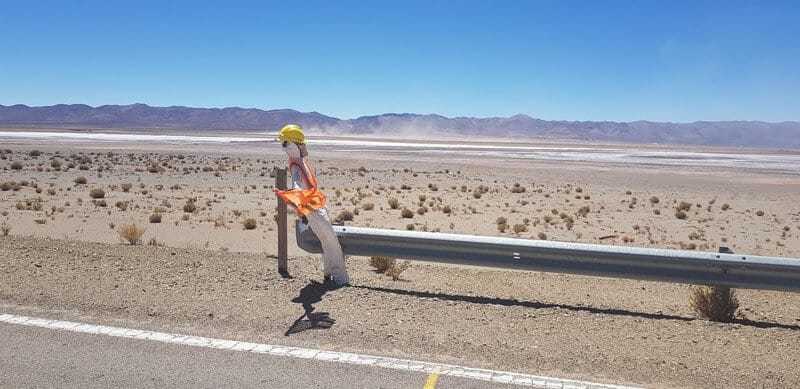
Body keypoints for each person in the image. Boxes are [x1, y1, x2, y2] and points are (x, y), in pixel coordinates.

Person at [273, 124, 350, 286]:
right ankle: (340, 279)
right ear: (292, 146)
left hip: (316, 207)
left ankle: (330, 274)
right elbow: (297, 186)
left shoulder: (300, 162)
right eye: (301, 143)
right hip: (313, 210)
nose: (304, 146)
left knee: (328, 241)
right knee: (331, 242)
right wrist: (298, 199)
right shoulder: (296, 167)